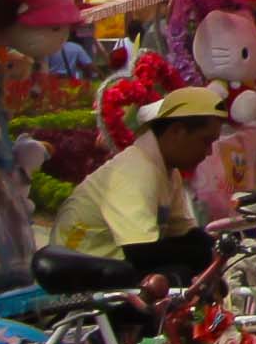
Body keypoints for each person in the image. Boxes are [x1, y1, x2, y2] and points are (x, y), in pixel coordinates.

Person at [55, 88, 230, 258]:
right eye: (205, 141)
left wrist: (221, 247)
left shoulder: (167, 169)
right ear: (177, 131)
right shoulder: (134, 172)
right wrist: (209, 253)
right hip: (80, 269)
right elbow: (141, 252)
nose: (209, 152)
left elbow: (182, 232)